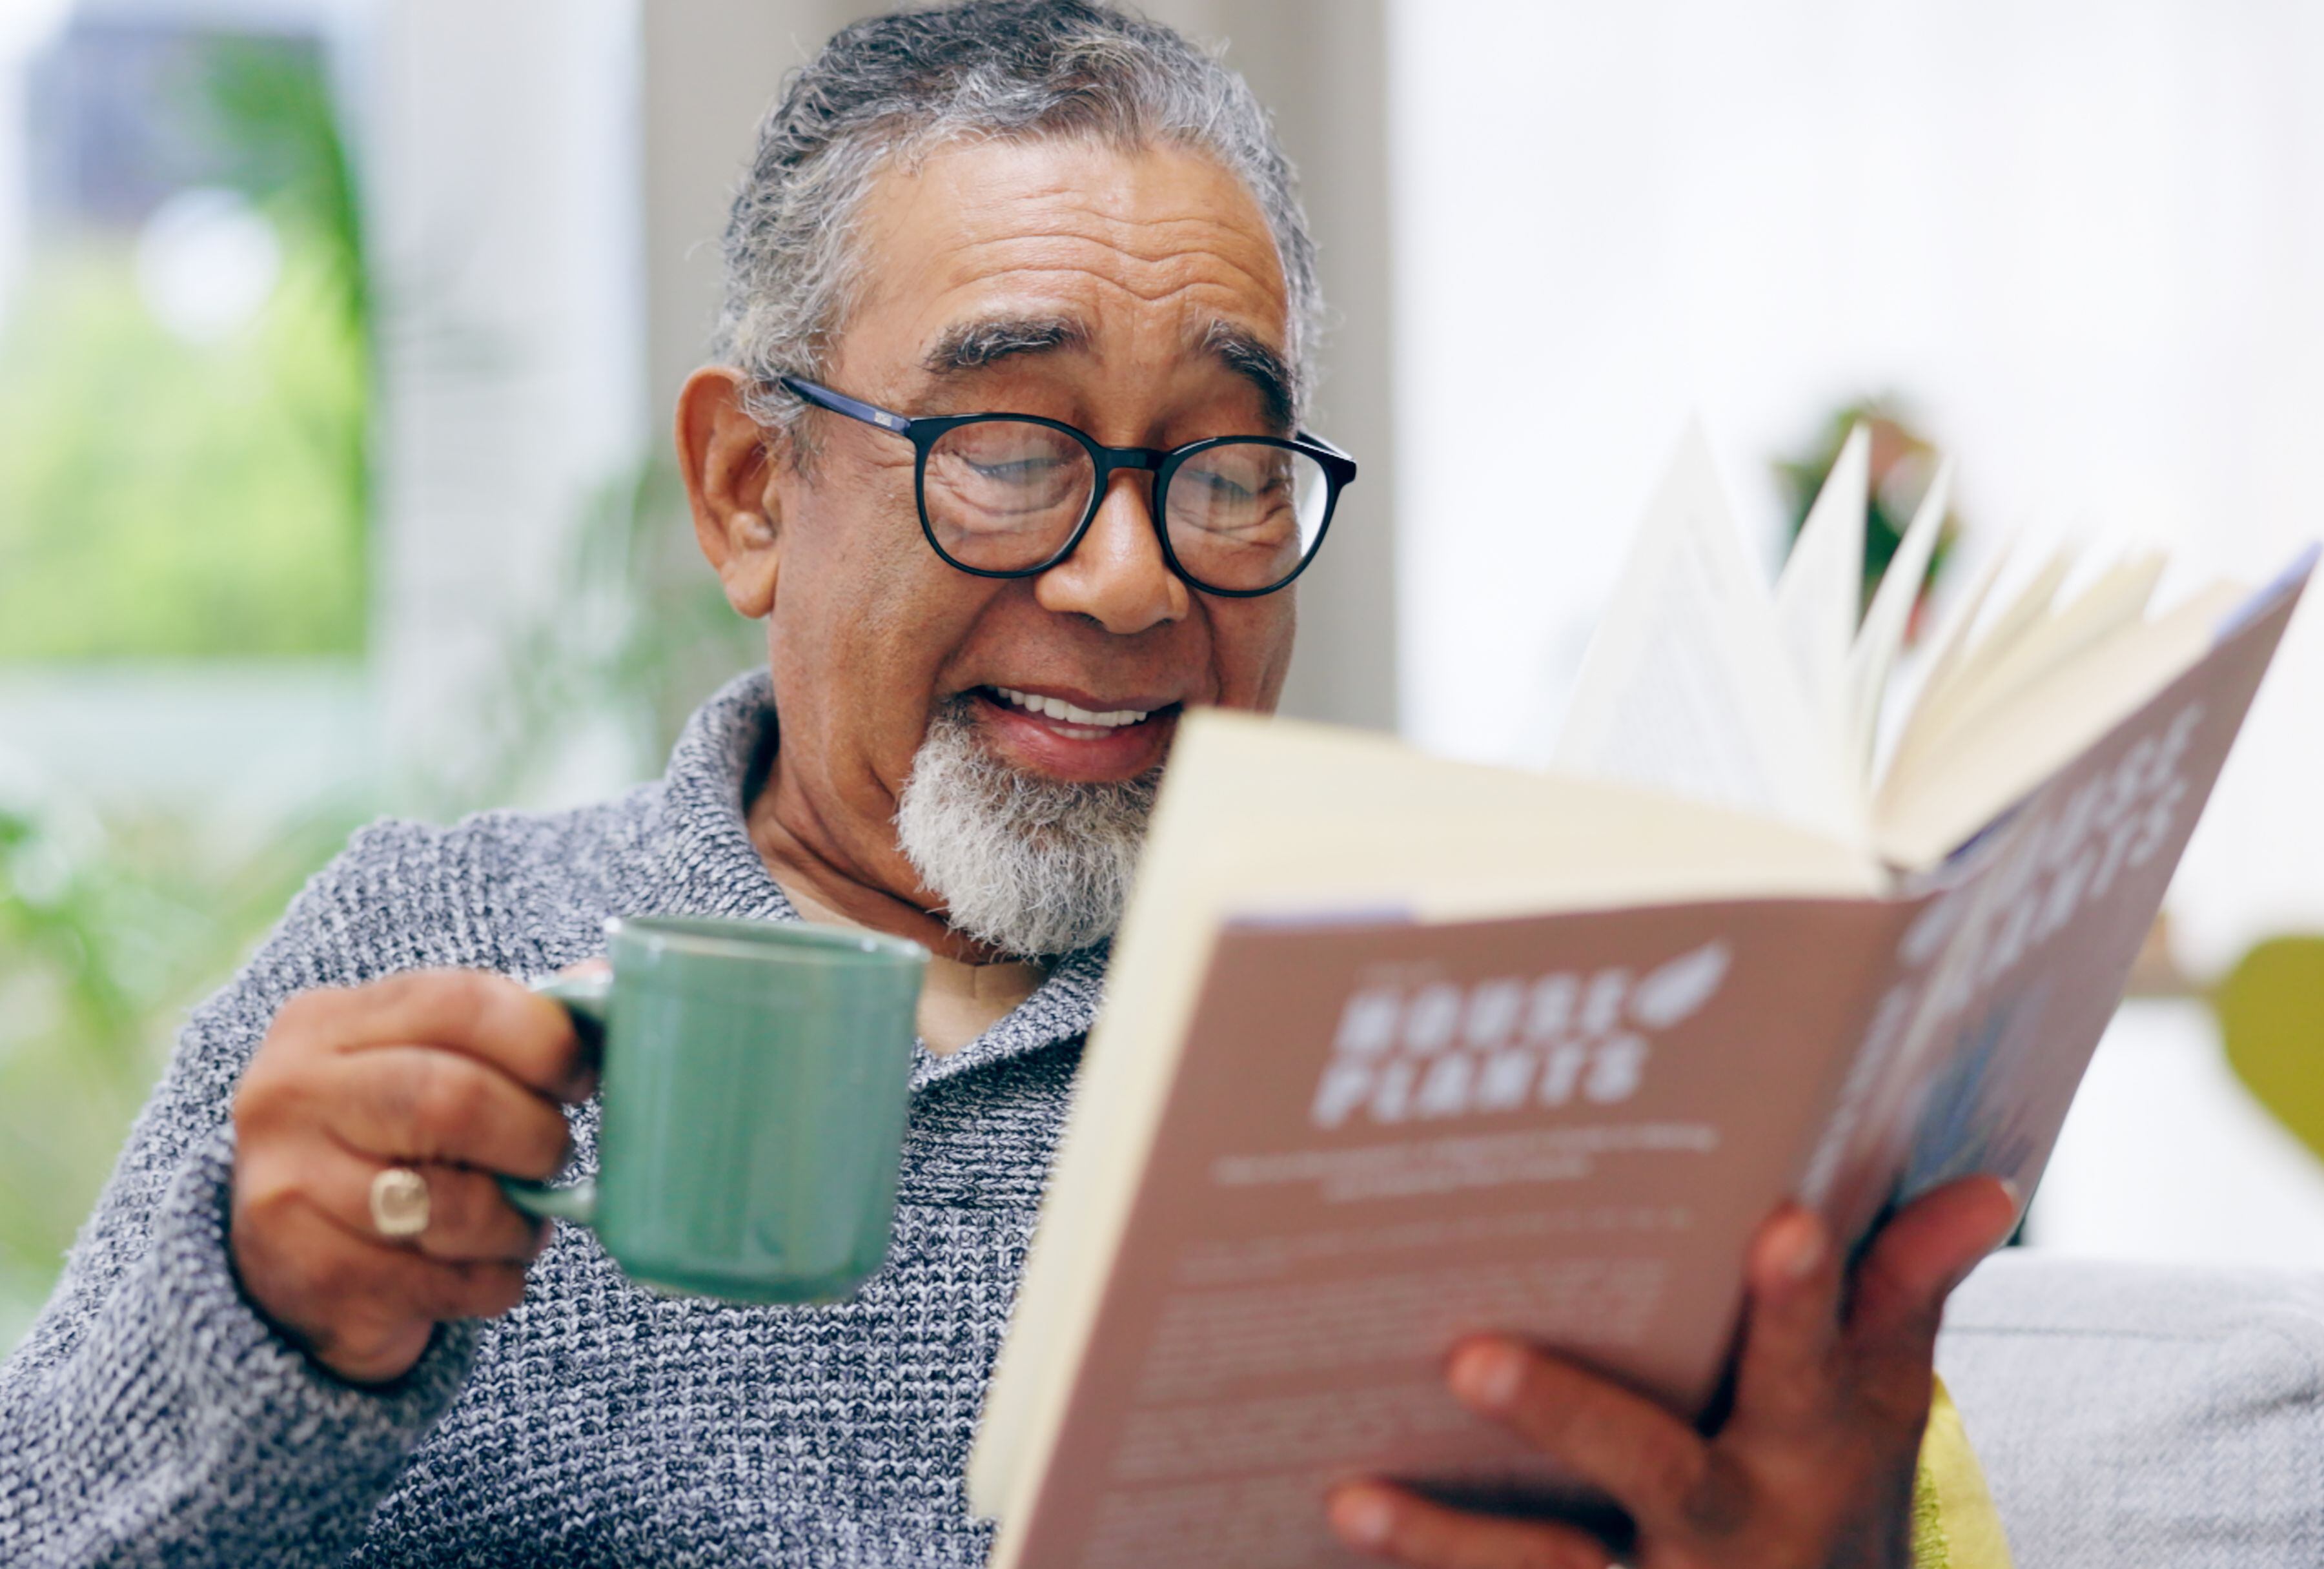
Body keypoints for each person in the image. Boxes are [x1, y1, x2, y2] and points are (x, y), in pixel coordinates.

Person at [0, 3, 2016, 1564]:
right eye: (1009, 451)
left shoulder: (1486, 1023)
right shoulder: (426, 948)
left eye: (1223, 472)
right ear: (747, 492)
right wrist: (270, 1333)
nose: (1131, 580)